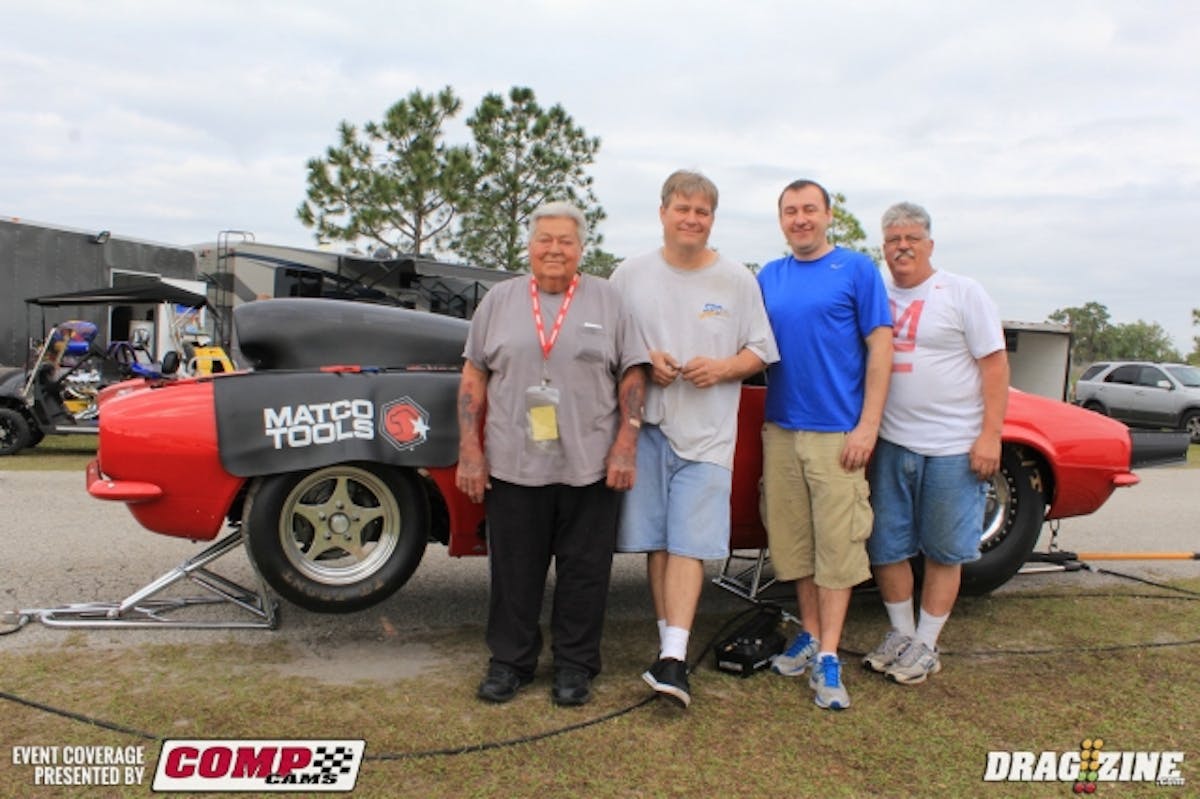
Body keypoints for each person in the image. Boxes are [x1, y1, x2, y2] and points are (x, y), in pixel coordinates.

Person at [456, 201, 648, 707]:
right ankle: (510, 662)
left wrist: (626, 444)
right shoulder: (499, 300)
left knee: (586, 573)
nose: (555, 249)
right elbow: (474, 375)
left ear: (581, 248)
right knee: (514, 572)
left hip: (591, 466)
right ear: (530, 246)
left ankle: (575, 665)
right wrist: (470, 449)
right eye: (545, 239)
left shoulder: (610, 300)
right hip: (513, 464)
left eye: (566, 240)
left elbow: (633, 373)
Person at [610, 170, 778, 708]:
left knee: (688, 544)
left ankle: (675, 658)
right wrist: (645, 360)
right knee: (659, 543)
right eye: (682, 208)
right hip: (647, 429)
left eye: (702, 211)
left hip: (708, 435)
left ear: (712, 219)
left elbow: (761, 350)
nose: (691, 219)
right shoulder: (629, 274)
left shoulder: (736, 279)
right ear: (663, 212)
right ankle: (669, 650)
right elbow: (609, 347)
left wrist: (725, 368)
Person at [756, 179, 893, 711]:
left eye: (809, 209)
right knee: (796, 546)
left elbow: (881, 348)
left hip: (838, 434)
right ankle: (810, 635)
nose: (800, 219)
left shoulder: (857, 269)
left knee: (838, 548)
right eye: (790, 211)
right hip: (781, 431)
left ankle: (830, 656)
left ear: (828, 214)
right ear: (781, 220)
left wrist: (868, 425)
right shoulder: (769, 276)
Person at [862, 202, 1009, 684]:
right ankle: (901, 636)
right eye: (892, 240)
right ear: (883, 247)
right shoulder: (876, 293)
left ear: (929, 244)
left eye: (911, 238)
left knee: (944, 551)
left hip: (952, 446)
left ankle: (927, 644)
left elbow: (995, 366)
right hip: (891, 441)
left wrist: (990, 435)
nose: (901, 247)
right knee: (887, 546)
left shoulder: (963, 293)